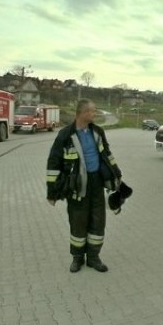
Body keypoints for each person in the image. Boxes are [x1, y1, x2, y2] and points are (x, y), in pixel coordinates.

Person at [46, 99, 123, 274]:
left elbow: (107, 154)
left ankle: (94, 258)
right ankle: (77, 258)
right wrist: (52, 193)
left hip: (96, 183)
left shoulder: (98, 131)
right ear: (83, 113)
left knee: (98, 221)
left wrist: (116, 174)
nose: (94, 114)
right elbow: (53, 163)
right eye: (92, 111)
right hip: (76, 186)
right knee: (78, 223)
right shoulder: (65, 135)